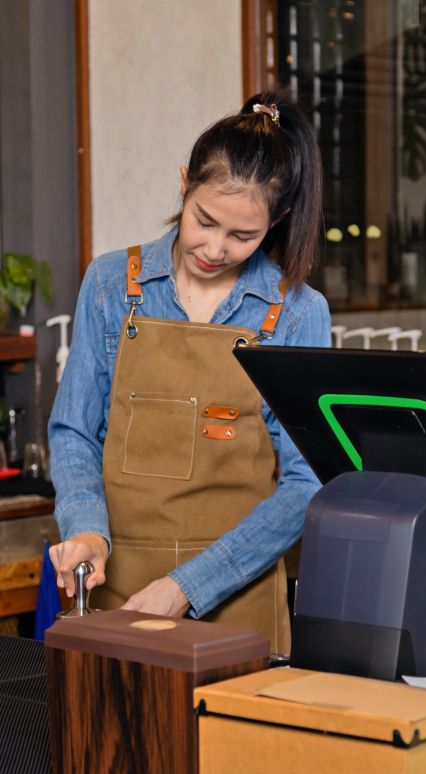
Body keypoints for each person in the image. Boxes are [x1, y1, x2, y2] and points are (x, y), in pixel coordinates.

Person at [47, 88, 331, 651]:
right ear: (185, 182)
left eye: (243, 236)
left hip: (238, 597)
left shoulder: (297, 313)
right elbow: (74, 432)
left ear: (279, 220)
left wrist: (187, 587)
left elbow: (307, 483)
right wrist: (83, 527)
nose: (215, 248)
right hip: (118, 590)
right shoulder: (110, 284)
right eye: (204, 220)